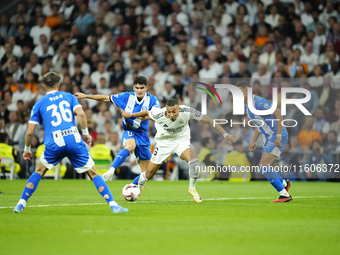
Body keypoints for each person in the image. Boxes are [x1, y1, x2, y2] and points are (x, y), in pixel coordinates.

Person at [12, 72, 128, 214]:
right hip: (73, 139)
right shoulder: (69, 97)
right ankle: (113, 205)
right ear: (58, 85)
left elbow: (30, 132)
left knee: (39, 171)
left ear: (43, 86)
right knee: (93, 173)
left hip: (54, 142)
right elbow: (81, 114)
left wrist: (27, 149)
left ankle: (20, 204)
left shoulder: (38, 104)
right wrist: (85, 134)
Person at [122, 98, 236, 203]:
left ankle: (192, 188)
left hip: (181, 141)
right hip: (164, 144)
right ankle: (138, 189)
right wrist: (131, 115)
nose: (171, 115)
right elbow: (146, 113)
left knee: (194, 162)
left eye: (174, 112)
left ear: (179, 109)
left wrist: (225, 135)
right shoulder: (159, 114)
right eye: (169, 112)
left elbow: (209, 121)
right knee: (149, 174)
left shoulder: (187, 111)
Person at [75, 76, 160, 182]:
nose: (139, 90)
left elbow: (155, 115)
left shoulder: (153, 100)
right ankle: (111, 171)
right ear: (133, 87)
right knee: (130, 146)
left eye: (141, 88)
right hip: (130, 131)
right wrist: (86, 96)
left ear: (146, 88)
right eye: (137, 88)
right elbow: (106, 98)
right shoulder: (126, 97)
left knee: (147, 174)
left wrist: (134, 115)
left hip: (143, 135)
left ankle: (135, 188)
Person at [236, 81, 292, 203]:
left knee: (264, 166)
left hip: (276, 134)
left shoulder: (259, 102)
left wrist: (278, 136)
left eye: (240, 92)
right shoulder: (247, 106)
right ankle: (283, 183)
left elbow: (279, 114)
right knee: (267, 166)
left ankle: (284, 195)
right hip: (268, 137)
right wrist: (253, 141)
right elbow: (259, 123)